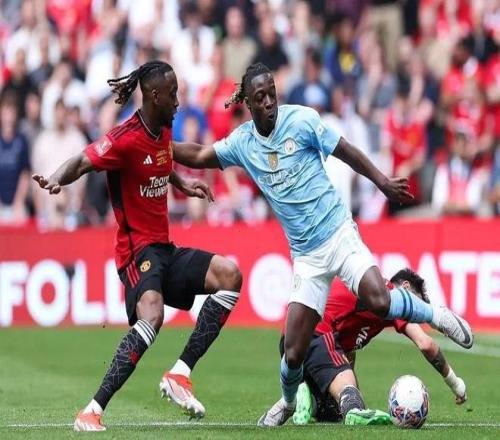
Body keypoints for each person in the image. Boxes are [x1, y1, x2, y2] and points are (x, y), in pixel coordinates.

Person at [172, 62, 474, 427]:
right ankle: (287, 402)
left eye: (272, 94)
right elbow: (200, 155)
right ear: (248, 104)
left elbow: (345, 150)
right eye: (260, 97)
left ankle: (437, 315)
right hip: (307, 257)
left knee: (379, 299)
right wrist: (158, 144)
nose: (269, 102)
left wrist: (381, 182)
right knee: (293, 352)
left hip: (338, 232)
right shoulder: (242, 142)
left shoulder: (301, 120)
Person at [32, 61, 242, 431]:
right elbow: (83, 160)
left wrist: (182, 183)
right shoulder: (123, 139)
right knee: (153, 315)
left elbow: (158, 158)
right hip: (136, 253)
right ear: (155, 96)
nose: (178, 101)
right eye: (173, 94)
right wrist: (56, 179)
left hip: (164, 248)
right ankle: (91, 411)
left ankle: (179, 373)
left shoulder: (162, 127)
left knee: (230, 275)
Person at [291, 268, 467, 426]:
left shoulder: (372, 292)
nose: (415, 313)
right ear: (405, 287)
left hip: (295, 342)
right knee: (350, 406)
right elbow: (427, 344)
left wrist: (357, 395)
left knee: (332, 411)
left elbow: (346, 351)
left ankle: (305, 395)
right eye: (417, 304)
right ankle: (307, 393)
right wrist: (455, 383)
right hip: (317, 336)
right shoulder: (390, 297)